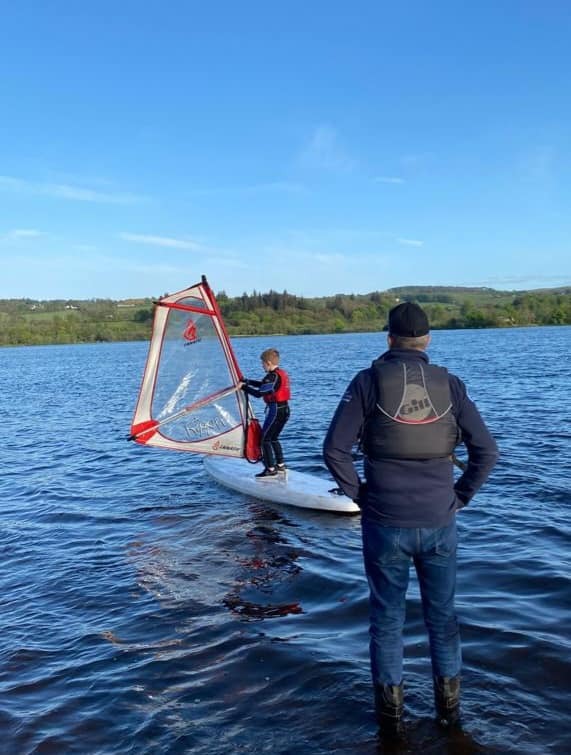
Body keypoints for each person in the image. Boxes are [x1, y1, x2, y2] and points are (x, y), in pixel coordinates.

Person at [323, 302, 498, 737]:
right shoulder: (451, 385)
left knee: (387, 621)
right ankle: (450, 720)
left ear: (389, 338)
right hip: (440, 521)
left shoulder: (367, 382)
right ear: (427, 340)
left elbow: (334, 451)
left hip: (385, 523)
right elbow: (487, 451)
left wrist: (362, 496)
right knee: (443, 619)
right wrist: (460, 497)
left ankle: (391, 726)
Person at [240, 348, 291, 478]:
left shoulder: (272, 376)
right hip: (284, 409)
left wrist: (243, 387)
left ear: (268, 363)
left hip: (276, 410)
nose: (262, 366)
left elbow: (259, 393)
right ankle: (280, 465)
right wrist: (248, 381)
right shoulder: (279, 374)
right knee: (273, 438)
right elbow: (263, 385)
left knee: (264, 440)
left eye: (262, 363)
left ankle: (270, 469)